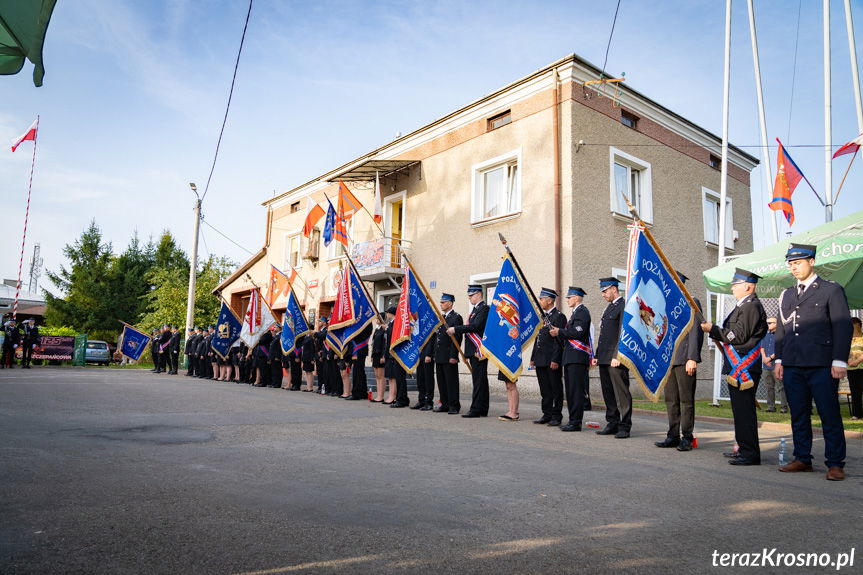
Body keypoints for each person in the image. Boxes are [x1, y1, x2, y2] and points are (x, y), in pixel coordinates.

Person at [774, 244, 852, 481]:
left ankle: (835, 463)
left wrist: (839, 360)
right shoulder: (787, 294)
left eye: (798, 263)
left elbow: (842, 325)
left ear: (812, 261)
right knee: (798, 414)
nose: (793, 268)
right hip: (793, 363)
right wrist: (779, 359)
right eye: (791, 264)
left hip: (821, 363)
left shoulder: (830, 290)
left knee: (829, 414)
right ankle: (802, 458)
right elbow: (782, 330)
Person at [701, 268, 768, 467]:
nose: (732, 288)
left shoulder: (751, 306)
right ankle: (743, 448)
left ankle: (750, 453)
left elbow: (737, 336)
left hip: (744, 367)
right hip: (737, 365)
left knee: (745, 412)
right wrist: (716, 331)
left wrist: (714, 329)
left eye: (735, 284)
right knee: (739, 411)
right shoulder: (744, 305)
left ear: (747, 286)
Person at [655, 273, 703, 451]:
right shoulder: (666, 306)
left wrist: (692, 358)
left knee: (686, 400)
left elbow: (696, 332)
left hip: (684, 359)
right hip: (669, 360)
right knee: (671, 400)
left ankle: (687, 437)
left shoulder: (691, 302)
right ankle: (673, 435)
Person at [593, 278, 632, 439]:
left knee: (621, 393)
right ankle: (612, 422)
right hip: (604, 357)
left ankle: (624, 425)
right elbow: (604, 335)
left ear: (614, 289)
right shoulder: (609, 308)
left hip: (616, 358)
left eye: (605, 291)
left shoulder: (623, 306)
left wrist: (618, 355)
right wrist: (597, 355)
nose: (603, 294)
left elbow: (624, 333)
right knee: (608, 392)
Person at [549, 287, 591, 432]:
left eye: (569, 297)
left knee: (575, 391)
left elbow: (577, 333)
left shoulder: (582, 312)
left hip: (577, 358)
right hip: (571, 358)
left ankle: (576, 422)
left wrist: (559, 331)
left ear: (577, 298)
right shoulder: (575, 313)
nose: (567, 300)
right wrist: (559, 332)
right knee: (571, 391)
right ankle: (573, 420)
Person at [449, 284, 489, 418]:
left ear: (479, 294)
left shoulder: (484, 309)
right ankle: (483, 408)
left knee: (479, 380)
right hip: (473, 350)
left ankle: (476, 409)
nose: (469, 298)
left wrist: (456, 329)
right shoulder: (475, 310)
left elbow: (475, 326)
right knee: (480, 380)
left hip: (478, 350)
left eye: (471, 295)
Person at [530, 288, 565, 426]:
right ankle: (547, 413)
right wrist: (533, 357)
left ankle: (556, 416)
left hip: (551, 359)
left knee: (555, 389)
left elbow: (559, 341)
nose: (540, 301)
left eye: (541, 299)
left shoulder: (559, 316)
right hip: (540, 359)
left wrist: (555, 359)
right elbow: (537, 338)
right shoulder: (542, 317)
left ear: (549, 300)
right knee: (544, 389)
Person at [434, 294, 463, 414]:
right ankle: (444, 404)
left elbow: (457, 338)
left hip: (448, 355)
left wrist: (453, 355)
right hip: (439, 355)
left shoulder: (456, 317)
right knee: (441, 382)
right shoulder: (441, 318)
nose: (441, 304)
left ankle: (454, 406)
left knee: (451, 382)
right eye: (440, 302)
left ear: (450, 303)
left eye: (443, 302)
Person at [385, 306, 410, 407]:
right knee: (397, 377)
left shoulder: (397, 322)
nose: (386, 314)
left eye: (387, 312)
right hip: (393, 354)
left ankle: (402, 399)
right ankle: (401, 398)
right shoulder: (391, 323)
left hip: (399, 353)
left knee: (400, 377)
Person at [760, 317, 786, 413]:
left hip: (776, 365)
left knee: (780, 387)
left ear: (776, 324)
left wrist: (770, 358)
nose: (768, 325)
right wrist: (764, 359)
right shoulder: (765, 335)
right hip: (766, 365)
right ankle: (771, 407)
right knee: (769, 387)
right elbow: (762, 347)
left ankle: (784, 407)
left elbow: (781, 349)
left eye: (770, 323)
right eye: (767, 323)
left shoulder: (781, 335)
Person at [413, 332, 436, 410]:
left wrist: (429, 354)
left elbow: (431, 339)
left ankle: (428, 402)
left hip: (427, 354)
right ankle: (421, 400)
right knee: (420, 379)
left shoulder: (429, 325)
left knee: (428, 379)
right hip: (419, 354)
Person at [349, 324, 372, 400]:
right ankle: (362, 392)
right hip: (356, 349)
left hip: (360, 348)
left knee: (358, 371)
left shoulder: (367, 323)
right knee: (359, 371)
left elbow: (363, 334)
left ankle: (357, 393)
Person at [848, 317, 863, 420]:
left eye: (855, 326)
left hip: (861, 367)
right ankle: (856, 414)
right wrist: (848, 361)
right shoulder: (847, 339)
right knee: (855, 391)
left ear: (859, 326)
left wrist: (857, 361)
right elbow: (844, 351)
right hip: (851, 370)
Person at [370, 317, 388, 402]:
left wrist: (383, 355)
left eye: (377, 318)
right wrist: (372, 355)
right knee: (377, 375)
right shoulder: (377, 329)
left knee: (381, 376)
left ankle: (381, 396)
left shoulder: (384, 329)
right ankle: (378, 395)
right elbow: (373, 343)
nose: (376, 320)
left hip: (380, 354)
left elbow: (385, 343)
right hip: (375, 354)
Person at [269, 324, 284, 388]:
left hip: (276, 356)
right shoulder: (276, 336)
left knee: (277, 370)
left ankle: (277, 383)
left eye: (275, 327)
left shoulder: (280, 336)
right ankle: (274, 382)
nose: (274, 328)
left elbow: (279, 347)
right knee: (274, 370)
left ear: (279, 328)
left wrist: (278, 356)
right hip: (273, 355)